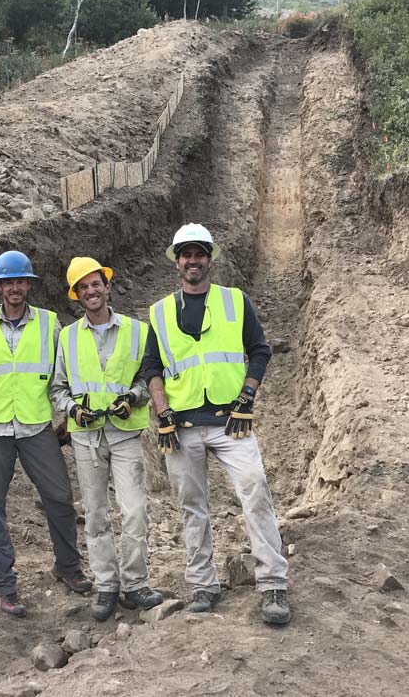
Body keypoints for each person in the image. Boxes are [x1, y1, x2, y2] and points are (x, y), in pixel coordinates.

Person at [142, 223, 291, 626]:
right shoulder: (159, 312)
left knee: (256, 489)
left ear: (210, 259)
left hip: (231, 422)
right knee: (193, 507)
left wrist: (247, 395)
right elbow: (152, 367)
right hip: (183, 425)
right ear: (177, 262)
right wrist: (162, 411)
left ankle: (273, 583)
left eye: (199, 253)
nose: (193, 260)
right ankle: (202, 584)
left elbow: (259, 349)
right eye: (186, 254)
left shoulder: (235, 302)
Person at [0, 249, 92, 618]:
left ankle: (67, 567)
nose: (14, 288)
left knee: (59, 496)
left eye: (20, 281)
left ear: (28, 285)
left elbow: (65, 372)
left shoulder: (50, 324)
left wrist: (66, 417)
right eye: (8, 282)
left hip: (37, 425)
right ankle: (4, 586)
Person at [50, 257, 165, 621]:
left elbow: (149, 378)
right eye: (83, 287)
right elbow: (58, 388)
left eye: (95, 283)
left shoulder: (137, 331)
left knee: (134, 511)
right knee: (96, 515)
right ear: (77, 295)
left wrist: (132, 397)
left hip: (125, 434)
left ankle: (135, 584)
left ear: (107, 285)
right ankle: (105, 585)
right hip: (86, 437)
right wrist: (72, 410)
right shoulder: (67, 337)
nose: (91, 291)